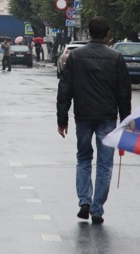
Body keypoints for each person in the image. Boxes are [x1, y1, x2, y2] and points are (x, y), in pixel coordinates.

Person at [56, 17, 131, 226]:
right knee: (105, 164)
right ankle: (97, 209)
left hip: (83, 116)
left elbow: (65, 89)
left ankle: (84, 201)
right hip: (107, 116)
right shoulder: (116, 58)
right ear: (107, 34)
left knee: (83, 158)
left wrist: (62, 119)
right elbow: (123, 93)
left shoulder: (75, 56)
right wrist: (126, 122)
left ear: (89, 33)